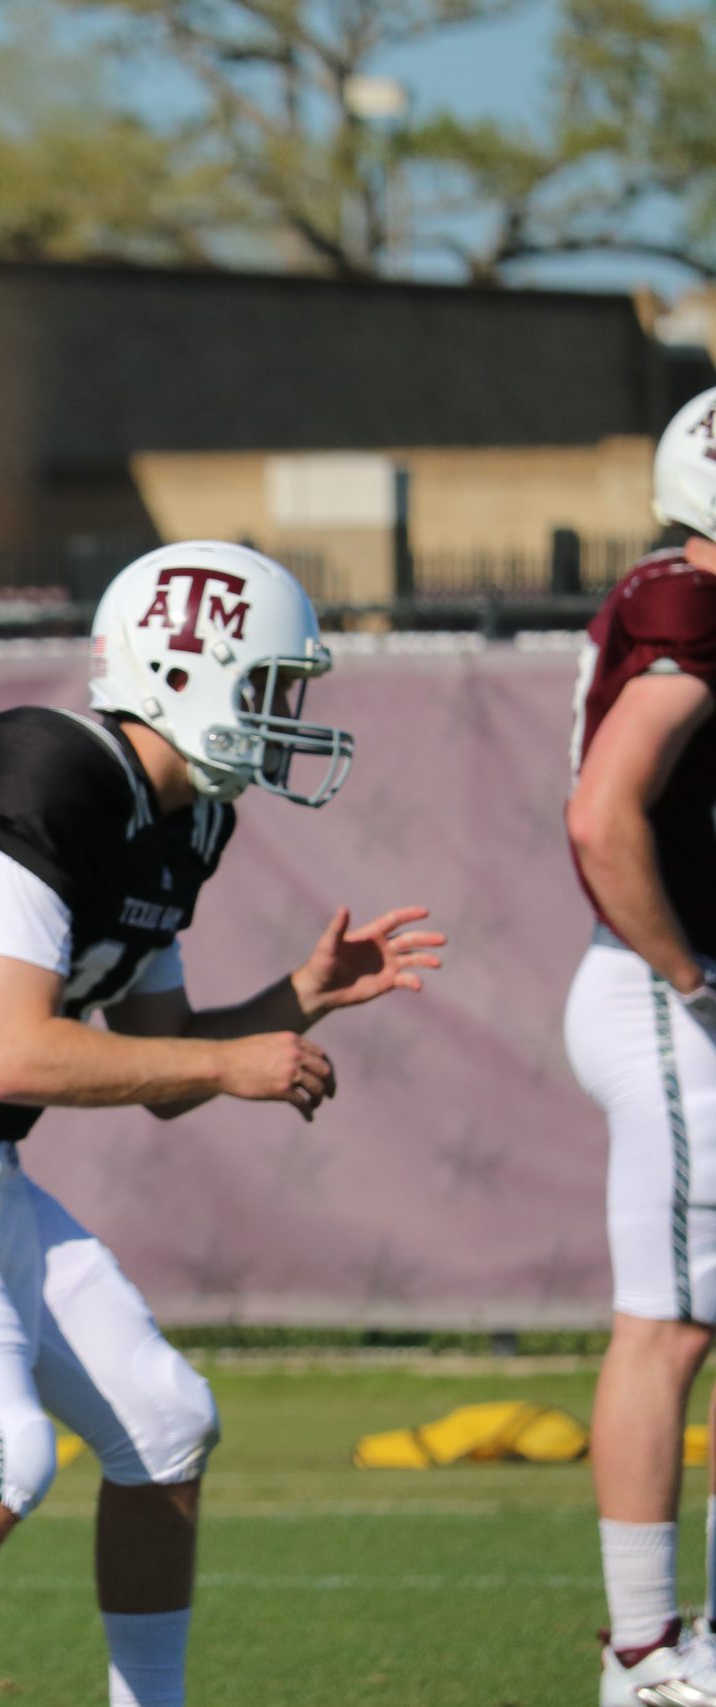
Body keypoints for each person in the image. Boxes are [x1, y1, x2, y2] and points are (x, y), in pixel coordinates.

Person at [0, 542, 442, 1707]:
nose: (287, 715)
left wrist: (298, 998)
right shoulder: (47, 768)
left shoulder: (187, 821)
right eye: (271, 684)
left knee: (167, 1424)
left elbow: (162, 1063)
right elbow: (15, 1051)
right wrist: (235, 1059)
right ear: (185, 674)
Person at [568, 387, 716, 1704]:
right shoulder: (692, 619)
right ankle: (643, 1648)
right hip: (669, 1001)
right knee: (665, 1325)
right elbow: (605, 812)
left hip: (675, 992)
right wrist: (691, 969)